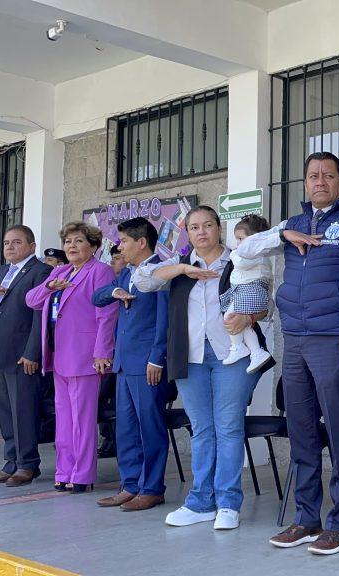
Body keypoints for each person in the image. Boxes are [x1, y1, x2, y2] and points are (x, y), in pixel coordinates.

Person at [239, 151, 339, 555]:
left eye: (328, 175)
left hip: (334, 338)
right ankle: (306, 519)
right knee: (301, 431)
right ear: (305, 183)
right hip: (295, 339)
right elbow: (244, 251)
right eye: (313, 176)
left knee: (338, 430)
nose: (320, 181)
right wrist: (283, 236)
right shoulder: (292, 224)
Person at [133, 206, 266, 531]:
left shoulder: (239, 259)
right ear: (188, 233)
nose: (201, 232)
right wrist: (181, 269)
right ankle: (201, 502)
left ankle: (228, 503)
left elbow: (266, 302)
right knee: (203, 429)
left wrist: (249, 317)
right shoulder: (177, 266)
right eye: (194, 227)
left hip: (231, 355)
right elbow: (140, 280)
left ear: (219, 228)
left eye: (207, 225)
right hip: (190, 356)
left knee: (228, 427)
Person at [26, 222, 118, 493]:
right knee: (64, 419)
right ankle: (64, 470)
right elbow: (31, 300)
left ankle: (82, 474)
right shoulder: (60, 271)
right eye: (68, 241)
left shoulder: (100, 271)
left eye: (78, 241)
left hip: (84, 356)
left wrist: (102, 351)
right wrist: (49, 287)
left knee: (82, 420)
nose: (71, 246)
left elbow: (106, 314)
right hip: (58, 355)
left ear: (93, 246)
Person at [92, 217, 170, 511]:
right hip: (123, 363)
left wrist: (156, 358)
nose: (120, 247)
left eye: (124, 241)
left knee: (149, 428)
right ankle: (130, 485)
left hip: (147, 363)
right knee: (125, 428)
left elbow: (164, 320)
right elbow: (97, 297)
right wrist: (114, 291)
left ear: (141, 242)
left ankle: (152, 488)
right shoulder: (125, 274)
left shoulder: (161, 271)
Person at [0, 226, 52, 486]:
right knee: (5, 409)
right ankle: (11, 461)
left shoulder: (40, 271)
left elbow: (40, 316)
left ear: (31, 246)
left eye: (16, 242)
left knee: (23, 409)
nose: (10, 247)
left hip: (22, 352)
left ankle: (28, 464)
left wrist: (32, 352)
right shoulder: (1, 272)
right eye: (6, 243)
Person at [221, 215, 274, 372]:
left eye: (241, 239)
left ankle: (239, 347)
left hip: (250, 290)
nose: (238, 244)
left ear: (255, 240)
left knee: (229, 317)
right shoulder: (255, 253)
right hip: (246, 290)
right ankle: (256, 351)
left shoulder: (256, 253)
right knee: (243, 325)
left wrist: (233, 254)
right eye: (236, 239)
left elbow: (240, 263)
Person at [96, 246, 126, 459]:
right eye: (112, 258)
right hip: (106, 350)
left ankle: (115, 440)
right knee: (101, 397)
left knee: (115, 399)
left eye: (118, 258)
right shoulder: (109, 286)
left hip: (120, 351)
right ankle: (107, 437)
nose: (113, 262)